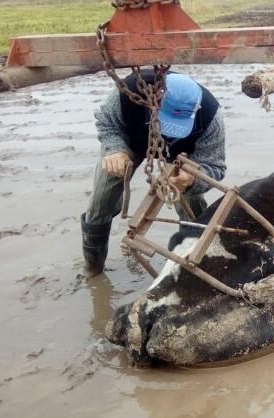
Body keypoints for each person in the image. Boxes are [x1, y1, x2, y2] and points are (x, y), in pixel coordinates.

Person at [81, 71, 226, 276]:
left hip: (179, 152)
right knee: (101, 198)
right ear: (156, 99)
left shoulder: (210, 116)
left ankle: (192, 259)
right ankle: (93, 265)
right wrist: (115, 150)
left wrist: (192, 179)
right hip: (130, 140)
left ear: (196, 110)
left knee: (190, 196)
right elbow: (107, 124)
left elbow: (215, 167)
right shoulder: (127, 93)